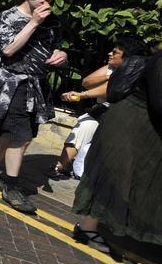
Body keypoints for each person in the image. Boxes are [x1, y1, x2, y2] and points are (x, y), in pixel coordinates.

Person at [0, 0, 68, 215]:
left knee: (9, 134)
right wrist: (34, 22)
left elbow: (56, 47)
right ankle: (11, 187)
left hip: (37, 85)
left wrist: (62, 55)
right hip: (12, 85)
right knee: (22, 137)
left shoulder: (54, 21)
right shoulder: (7, 16)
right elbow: (8, 49)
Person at [72, 49, 162, 254]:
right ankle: (86, 228)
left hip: (149, 129)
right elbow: (159, 102)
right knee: (110, 175)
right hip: (132, 123)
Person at [50, 38, 147, 180]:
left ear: (127, 57)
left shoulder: (139, 74)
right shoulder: (111, 68)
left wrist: (82, 95)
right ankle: (61, 166)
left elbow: (110, 90)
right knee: (85, 125)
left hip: (125, 117)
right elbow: (86, 82)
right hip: (103, 110)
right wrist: (111, 76)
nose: (110, 54)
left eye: (115, 52)